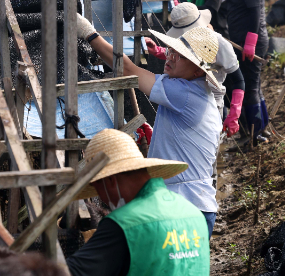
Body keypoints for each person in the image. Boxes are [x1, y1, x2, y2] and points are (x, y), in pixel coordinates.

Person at [75, 17, 222, 237]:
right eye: (171, 50)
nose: (170, 58)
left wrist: (89, 33)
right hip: (197, 204)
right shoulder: (198, 92)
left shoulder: (183, 93)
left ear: (198, 72)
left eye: (180, 56)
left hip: (184, 206)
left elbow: (126, 68)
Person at [66, 129, 210, 275]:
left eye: (98, 189)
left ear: (109, 180)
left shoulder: (123, 224)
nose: (102, 199)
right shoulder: (194, 214)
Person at [172, 0, 270, 146]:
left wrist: (251, 43)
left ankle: (254, 134)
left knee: (250, 86)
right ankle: (254, 130)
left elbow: (255, 15)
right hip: (239, 38)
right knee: (247, 84)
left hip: (251, 41)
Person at [144, 3, 244, 134]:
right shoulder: (181, 40)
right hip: (181, 97)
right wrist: (157, 50)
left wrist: (234, 115)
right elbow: (179, 57)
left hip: (210, 103)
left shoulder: (220, 44)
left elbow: (238, 80)